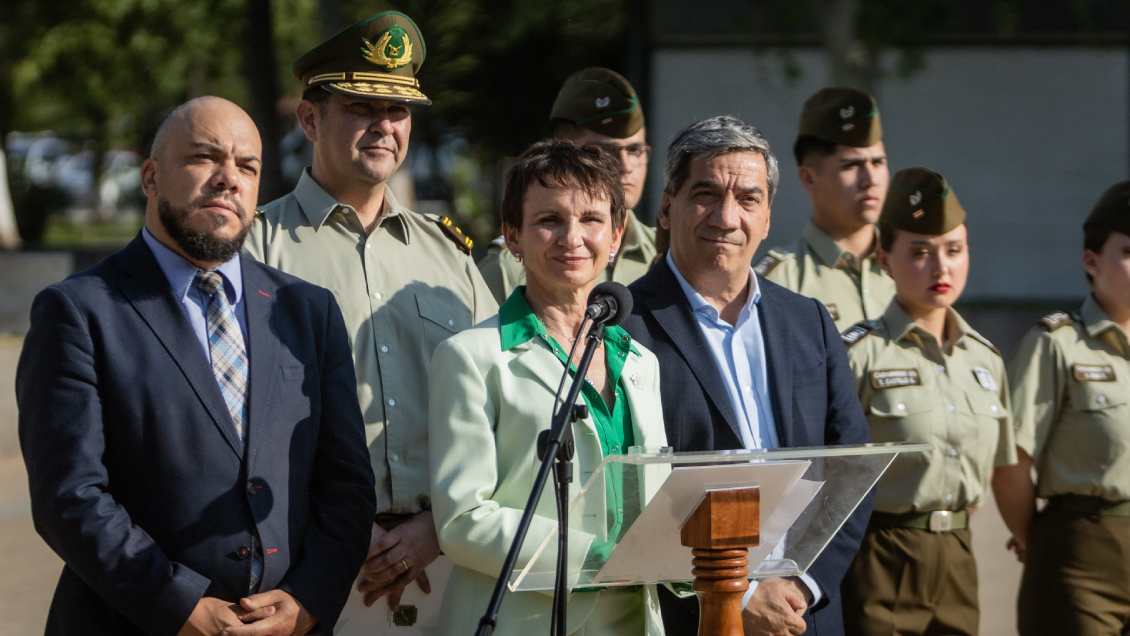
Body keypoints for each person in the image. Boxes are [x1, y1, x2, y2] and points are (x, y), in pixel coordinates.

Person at [16, 96, 376, 635]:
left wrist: (309, 599)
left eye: (247, 166)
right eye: (205, 157)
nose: (229, 178)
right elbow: (70, 497)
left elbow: (346, 484)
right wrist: (178, 604)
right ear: (151, 176)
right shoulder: (79, 311)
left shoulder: (308, 310)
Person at [243, 11, 498, 621]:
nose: (384, 126)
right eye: (362, 106)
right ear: (310, 119)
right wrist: (332, 536)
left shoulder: (450, 254)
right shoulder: (255, 248)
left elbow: (501, 402)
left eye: (399, 111)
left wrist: (435, 528)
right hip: (311, 571)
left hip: (447, 563)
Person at [621, 115, 872, 636]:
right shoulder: (623, 325)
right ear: (667, 209)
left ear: (767, 216)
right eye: (706, 193)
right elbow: (628, 493)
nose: (726, 216)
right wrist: (738, 593)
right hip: (688, 617)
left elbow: (850, 471)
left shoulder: (810, 322)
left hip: (803, 617)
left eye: (748, 199)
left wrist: (803, 586)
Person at [429, 139, 668, 635]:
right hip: (525, 622)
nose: (572, 238)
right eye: (549, 220)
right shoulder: (470, 356)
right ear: (512, 236)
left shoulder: (641, 362)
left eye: (591, 220)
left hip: (635, 619)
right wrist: (599, 559)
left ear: (618, 235)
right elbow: (462, 520)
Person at [839, 167, 1017, 635]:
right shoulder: (858, 354)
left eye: (954, 251)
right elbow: (828, 473)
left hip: (957, 553)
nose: (941, 269)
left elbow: (987, 469)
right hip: (879, 554)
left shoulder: (985, 359)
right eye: (919, 253)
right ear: (883, 258)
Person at [998, 180, 1130, 636]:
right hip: (1081, 559)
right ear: (1091, 262)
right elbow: (1011, 459)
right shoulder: (1057, 344)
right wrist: (1038, 540)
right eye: (1129, 251)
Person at [478, 67, 657, 304]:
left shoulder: (669, 256)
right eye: (605, 151)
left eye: (635, 150)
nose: (625, 166)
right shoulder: (506, 268)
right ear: (563, 153)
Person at [756, 86, 895, 331]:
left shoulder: (911, 265)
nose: (871, 179)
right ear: (809, 178)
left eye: (878, 162)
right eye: (852, 165)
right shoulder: (777, 283)